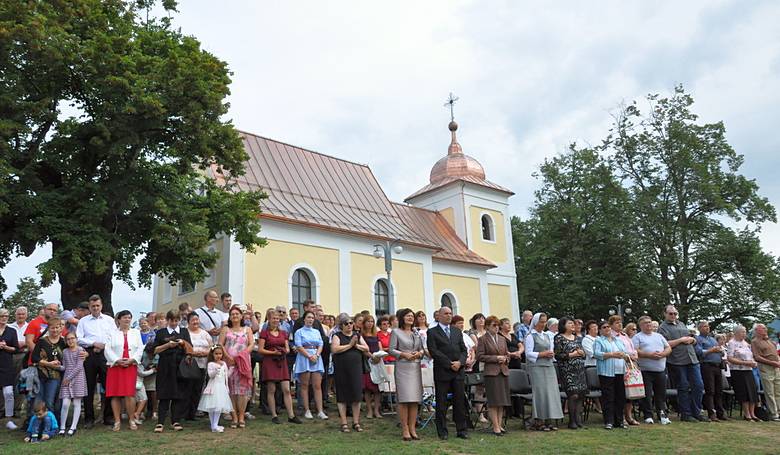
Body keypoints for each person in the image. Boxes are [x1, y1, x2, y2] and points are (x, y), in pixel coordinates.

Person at [426, 306, 469, 440]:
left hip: (458, 372)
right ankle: (442, 431)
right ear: (439, 315)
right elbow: (434, 351)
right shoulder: (432, 332)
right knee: (442, 402)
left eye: (450, 313)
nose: (449, 316)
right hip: (443, 371)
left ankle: (461, 430)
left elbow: (463, 350)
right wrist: (450, 364)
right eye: (446, 313)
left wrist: (460, 362)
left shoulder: (456, 331)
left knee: (459, 402)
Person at [658, 304, 705, 422]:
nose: (673, 315)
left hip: (692, 359)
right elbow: (664, 344)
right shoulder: (662, 328)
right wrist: (681, 340)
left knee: (698, 386)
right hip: (677, 361)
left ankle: (697, 411)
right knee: (683, 386)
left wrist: (693, 340)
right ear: (665, 314)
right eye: (670, 313)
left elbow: (691, 338)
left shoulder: (682, 324)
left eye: (675, 313)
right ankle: (686, 413)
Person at [75, 295, 115, 427]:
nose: (96, 308)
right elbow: (79, 339)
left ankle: (108, 416)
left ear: (101, 306)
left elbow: (114, 337)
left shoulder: (109, 320)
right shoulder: (83, 321)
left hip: (106, 353)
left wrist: (103, 345)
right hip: (89, 354)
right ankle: (89, 418)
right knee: (89, 387)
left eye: (98, 305)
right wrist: (94, 343)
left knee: (108, 385)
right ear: (90, 307)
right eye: (93, 306)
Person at [152, 310, 193, 433]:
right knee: (164, 395)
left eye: (176, 320)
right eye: (172, 320)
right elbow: (155, 350)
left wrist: (183, 343)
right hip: (165, 366)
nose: (174, 323)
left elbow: (190, 348)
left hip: (180, 366)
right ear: (168, 320)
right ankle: (160, 422)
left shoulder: (184, 332)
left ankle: (176, 421)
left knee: (178, 395)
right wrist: (167, 345)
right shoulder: (161, 333)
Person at [388, 308, 424, 441]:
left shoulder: (416, 332)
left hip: (415, 367)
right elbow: (391, 349)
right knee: (404, 399)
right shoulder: (396, 332)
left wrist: (419, 353)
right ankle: (404, 429)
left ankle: (412, 428)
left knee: (414, 399)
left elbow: (421, 348)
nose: (410, 318)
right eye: (408, 316)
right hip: (403, 366)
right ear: (402, 317)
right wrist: (403, 354)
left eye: (412, 316)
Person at [258, 311, 300, 424]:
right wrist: (272, 353)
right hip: (270, 362)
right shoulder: (264, 333)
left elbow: (287, 348)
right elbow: (260, 349)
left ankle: (291, 415)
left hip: (281, 362)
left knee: (286, 389)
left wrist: (283, 351)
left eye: (277, 318)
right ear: (269, 320)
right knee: (271, 389)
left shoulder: (283, 333)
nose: (276, 320)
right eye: (273, 318)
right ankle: (274, 415)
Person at [330, 313, 370, 433]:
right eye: (346, 323)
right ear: (341, 325)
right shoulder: (337, 336)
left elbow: (366, 348)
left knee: (356, 395)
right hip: (342, 368)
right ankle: (344, 422)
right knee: (342, 396)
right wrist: (350, 345)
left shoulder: (357, 335)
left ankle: (356, 422)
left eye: (351, 323)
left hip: (356, 369)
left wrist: (355, 345)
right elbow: (335, 349)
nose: (349, 325)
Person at [105, 310, 143, 431]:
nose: (127, 320)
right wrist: (116, 360)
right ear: (119, 319)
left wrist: (133, 360)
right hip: (115, 366)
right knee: (115, 394)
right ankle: (117, 421)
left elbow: (140, 349)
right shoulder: (112, 333)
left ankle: (131, 420)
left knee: (129, 394)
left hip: (130, 366)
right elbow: (107, 349)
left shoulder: (136, 332)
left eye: (129, 318)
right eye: (125, 317)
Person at [525, 312, 564, 431]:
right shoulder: (530, 336)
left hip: (549, 366)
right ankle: (539, 420)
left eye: (545, 322)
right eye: (541, 322)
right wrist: (542, 354)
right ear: (536, 322)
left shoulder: (547, 336)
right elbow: (528, 353)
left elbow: (550, 350)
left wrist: (551, 354)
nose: (543, 324)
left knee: (551, 393)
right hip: (537, 367)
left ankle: (549, 419)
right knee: (540, 393)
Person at [219, 306, 254, 429]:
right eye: (232, 314)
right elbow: (220, 344)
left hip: (243, 363)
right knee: (231, 390)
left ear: (241, 316)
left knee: (242, 391)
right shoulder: (225, 329)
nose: (234, 316)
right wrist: (228, 357)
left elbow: (251, 344)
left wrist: (242, 356)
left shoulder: (247, 329)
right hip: (229, 363)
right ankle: (234, 417)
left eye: (237, 314)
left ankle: (241, 416)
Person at [633, 315, 672, 425]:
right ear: (640, 325)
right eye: (646, 322)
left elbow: (668, 347)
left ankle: (662, 415)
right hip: (645, 370)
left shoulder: (659, 336)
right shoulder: (637, 337)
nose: (649, 324)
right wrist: (649, 355)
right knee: (647, 394)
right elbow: (636, 351)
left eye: (650, 322)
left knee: (661, 394)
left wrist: (663, 354)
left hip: (660, 370)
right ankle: (648, 415)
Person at [476, 315, 511, 436]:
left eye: (497, 325)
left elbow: (507, 354)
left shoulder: (502, 339)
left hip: (503, 372)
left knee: (502, 401)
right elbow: (480, 356)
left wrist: (506, 359)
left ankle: (499, 424)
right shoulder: (483, 339)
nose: (496, 328)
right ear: (487, 327)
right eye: (494, 325)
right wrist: (496, 358)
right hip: (491, 373)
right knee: (494, 401)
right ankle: (495, 426)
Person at [593, 320, 629, 430]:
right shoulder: (599, 341)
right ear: (600, 330)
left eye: (608, 326)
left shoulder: (617, 340)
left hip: (619, 371)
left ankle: (619, 420)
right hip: (606, 372)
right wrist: (612, 354)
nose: (607, 329)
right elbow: (597, 354)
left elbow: (625, 352)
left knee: (620, 397)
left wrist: (624, 355)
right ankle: (609, 421)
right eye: (604, 327)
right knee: (608, 397)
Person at [554, 316, 587, 429]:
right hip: (567, 370)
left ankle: (578, 420)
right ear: (563, 325)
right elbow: (558, 355)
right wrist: (571, 355)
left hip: (579, 370)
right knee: (573, 395)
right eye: (570, 323)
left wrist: (582, 353)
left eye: (573, 323)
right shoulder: (559, 338)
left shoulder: (577, 338)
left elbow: (584, 354)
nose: (573, 325)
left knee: (581, 395)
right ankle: (572, 421)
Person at [293, 311, 326, 420]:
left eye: (312, 317)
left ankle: (320, 410)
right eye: (308, 317)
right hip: (304, 358)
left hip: (316, 357)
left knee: (317, 385)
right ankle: (307, 409)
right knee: (305, 385)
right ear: (304, 319)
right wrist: (309, 356)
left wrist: (316, 354)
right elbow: (298, 345)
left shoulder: (316, 331)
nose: (310, 319)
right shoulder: (299, 332)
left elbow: (321, 344)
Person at [31, 316, 66, 415]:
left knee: (50, 401)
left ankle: (52, 426)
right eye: (52, 328)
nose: (55, 330)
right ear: (48, 328)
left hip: (55, 376)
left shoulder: (64, 342)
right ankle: (39, 423)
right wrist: (48, 364)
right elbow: (34, 358)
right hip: (41, 374)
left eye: (57, 327)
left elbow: (72, 352)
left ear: (60, 328)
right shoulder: (42, 341)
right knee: (39, 400)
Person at [695, 320, 728, 421]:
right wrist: (711, 350)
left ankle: (720, 413)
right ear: (699, 328)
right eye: (704, 326)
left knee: (719, 390)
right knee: (710, 390)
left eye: (708, 326)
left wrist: (720, 351)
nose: (707, 328)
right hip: (706, 366)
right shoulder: (698, 339)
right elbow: (699, 352)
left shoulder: (713, 339)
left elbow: (719, 349)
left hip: (717, 366)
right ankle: (711, 412)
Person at [609, 315, 639, 426]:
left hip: (630, 365)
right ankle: (620, 416)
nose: (620, 324)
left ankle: (629, 415)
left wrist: (635, 354)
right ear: (611, 325)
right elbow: (618, 351)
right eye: (616, 323)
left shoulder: (625, 335)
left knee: (630, 392)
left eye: (621, 322)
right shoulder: (612, 336)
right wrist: (629, 356)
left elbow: (632, 348)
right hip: (619, 365)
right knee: (621, 392)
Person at [727, 325, 760, 421]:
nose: (744, 334)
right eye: (742, 332)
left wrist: (753, 362)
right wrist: (745, 362)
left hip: (748, 370)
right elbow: (730, 358)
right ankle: (747, 414)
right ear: (736, 333)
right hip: (738, 370)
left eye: (745, 332)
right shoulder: (732, 343)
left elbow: (750, 356)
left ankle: (753, 413)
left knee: (752, 391)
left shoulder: (746, 343)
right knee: (744, 392)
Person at [198, 345, 233, 432]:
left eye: (220, 354)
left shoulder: (224, 363)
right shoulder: (211, 364)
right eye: (216, 354)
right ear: (212, 354)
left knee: (218, 407)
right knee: (212, 406)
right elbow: (211, 375)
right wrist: (216, 370)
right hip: (213, 387)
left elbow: (226, 376)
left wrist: (231, 370)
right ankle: (213, 425)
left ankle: (215, 424)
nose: (218, 355)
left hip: (221, 387)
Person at [58, 331, 87, 436]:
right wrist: (57, 366)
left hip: (78, 378)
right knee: (65, 403)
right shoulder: (65, 351)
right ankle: (62, 426)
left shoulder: (80, 350)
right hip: (67, 378)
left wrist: (69, 378)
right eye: (68, 339)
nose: (70, 341)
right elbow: (64, 366)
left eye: (72, 338)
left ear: (76, 339)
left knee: (76, 403)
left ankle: (73, 427)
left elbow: (79, 366)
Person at [751, 323, 780, 422]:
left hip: (776, 367)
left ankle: (779, 411)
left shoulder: (769, 341)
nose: (765, 330)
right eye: (763, 328)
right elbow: (757, 357)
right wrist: (771, 362)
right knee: (769, 392)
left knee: (778, 391)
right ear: (757, 330)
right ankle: (774, 413)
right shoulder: (755, 342)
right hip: (766, 367)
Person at [186, 312, 212, 420]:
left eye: (197, 319)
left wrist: (206, 353)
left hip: (202, 365)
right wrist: (193, 353)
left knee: (197, 389)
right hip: (189, 365)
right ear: (188, 322)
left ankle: (193, 413)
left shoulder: (205, 333)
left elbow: (212, 346)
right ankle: (184, 413)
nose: (195, 322)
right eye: (193, 320)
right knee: (187, 389)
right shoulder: (185, 333)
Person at [0, 308, 20, 430]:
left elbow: (16, 349)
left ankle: (9, 419)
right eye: (2, 315)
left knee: (8, 393)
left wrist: (6, 347)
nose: (4, 318)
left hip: (6, 365)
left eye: (6, 316)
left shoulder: (12, 331)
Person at [360, 314, 382, 419]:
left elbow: (380, 346)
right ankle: (369, 410)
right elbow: (363, 350)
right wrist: (371, 356)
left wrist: (379, 356)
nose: (370, 323)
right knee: (368, 388)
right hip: (367, 362)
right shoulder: (362, 335)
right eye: (368, 321)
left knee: (377, 388)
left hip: (377, 361)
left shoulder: (376, 334)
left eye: (372, 321)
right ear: (364, 323)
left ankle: (376, 410)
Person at [9, 306, 29, 417]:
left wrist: (22, 343)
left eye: (23, 314)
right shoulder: (9, 326)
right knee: (7, 382)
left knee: (20, 381)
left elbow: (31, 340)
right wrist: (18, 343)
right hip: (9, 355)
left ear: (26, 315)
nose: (20, 316)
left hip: (23, 355)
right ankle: (4, 409)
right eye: (18, 314)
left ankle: (17, 408)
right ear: (15, 314)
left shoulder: (29, 326)